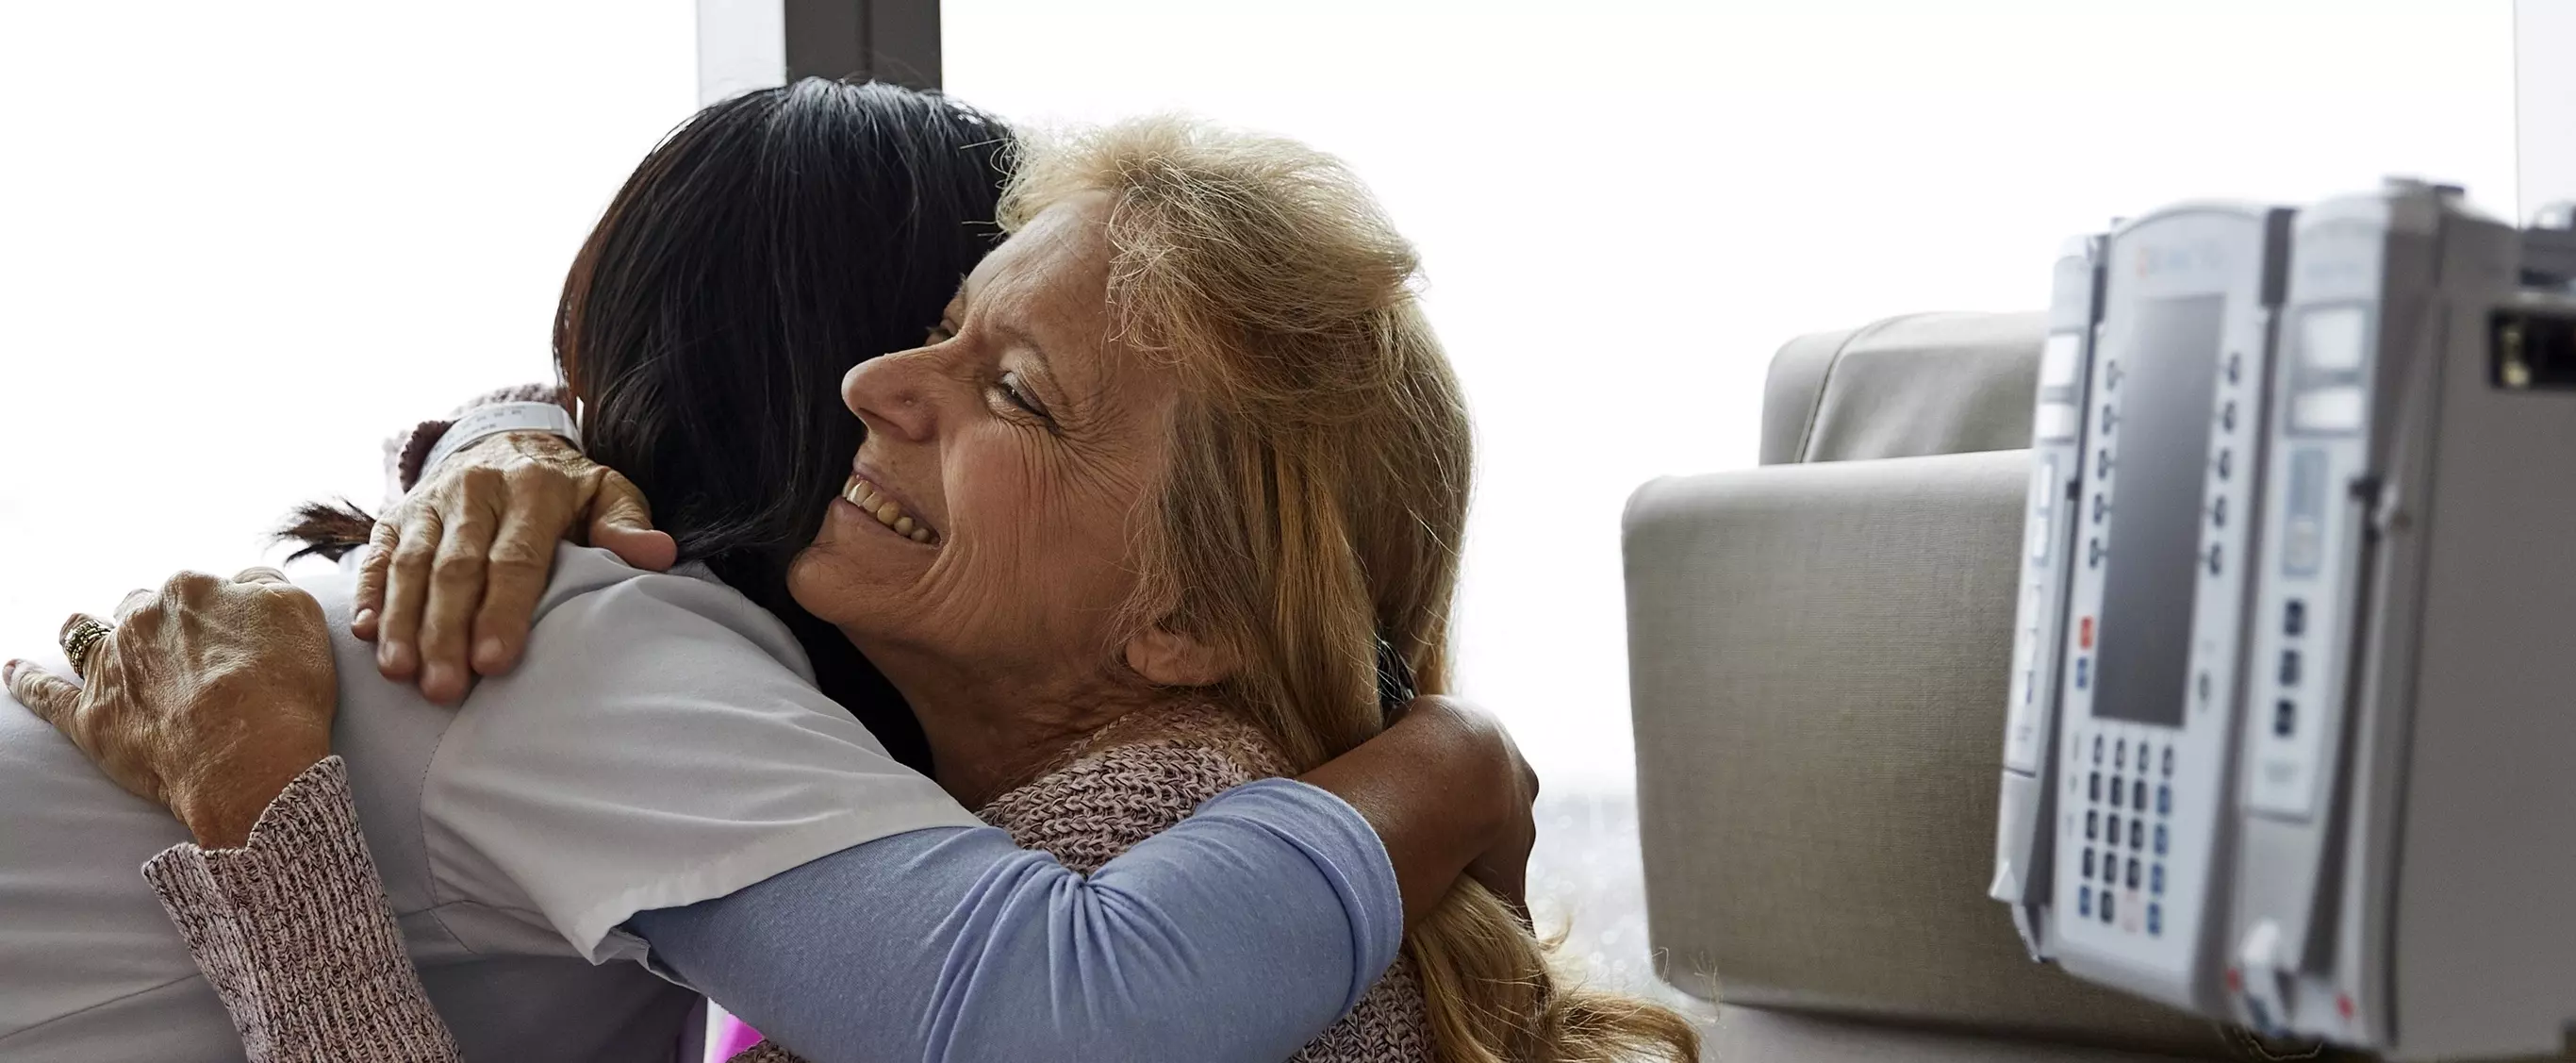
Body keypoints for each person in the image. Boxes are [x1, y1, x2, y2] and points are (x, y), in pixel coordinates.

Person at [0, 85, 1539, 1063]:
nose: (878, 382)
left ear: (1186, 612)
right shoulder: (598, 634)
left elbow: (1073, 1015)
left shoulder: (1118, 840)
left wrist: (272, 841)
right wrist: (497, 434)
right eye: (935, 317)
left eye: (1011, 385)